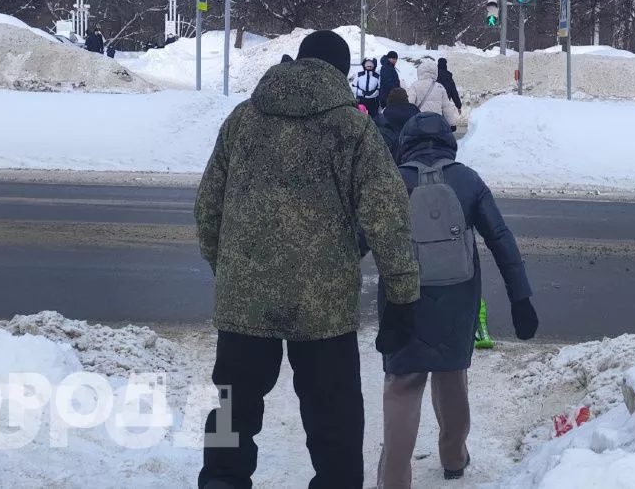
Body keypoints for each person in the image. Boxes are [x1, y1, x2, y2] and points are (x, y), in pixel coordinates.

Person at [195, 29, 422, 489]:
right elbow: (387, 213)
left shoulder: (243, 119)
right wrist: (402, 294)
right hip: (324, 309)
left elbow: (207, 208)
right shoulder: (352, 128)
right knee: (335, 429)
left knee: (229, 419)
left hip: (244, 306)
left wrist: (233, 271)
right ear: (340, 74)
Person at [374, 112, 538, 489]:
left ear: (406, 144)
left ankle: (394, 479)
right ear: (449, 142)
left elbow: (361, 238)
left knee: (403, 384)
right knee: (451, 376)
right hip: (459, 299)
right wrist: (520, 297)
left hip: (404, 301)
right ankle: (453, 457)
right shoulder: (468, 181)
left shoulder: (393, 181)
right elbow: (501, 238)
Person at [406, 59, 459, 129]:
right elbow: (447, 107)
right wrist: (451, 124)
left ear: (420, 71)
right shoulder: (440, 87)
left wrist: (407, 122)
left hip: (420, 122)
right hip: (436, 122)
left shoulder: (415, 86)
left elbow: (409, 105)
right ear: (435, 72)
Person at [377, 87, 419, 162]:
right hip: (413, 154)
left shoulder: (384, 114)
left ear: (389, 100)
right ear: (406, 98)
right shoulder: (415, 111)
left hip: (391, 156)